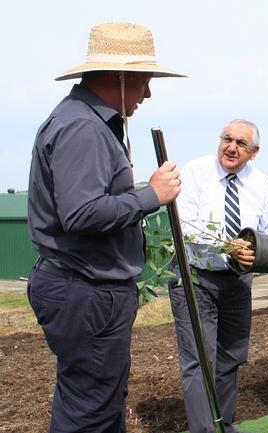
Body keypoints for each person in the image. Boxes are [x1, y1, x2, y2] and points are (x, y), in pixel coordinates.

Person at [27, 22, 184, 433]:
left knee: (96, 402)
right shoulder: (83, 127)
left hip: (86, 290)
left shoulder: (84, 121)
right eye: (145, 81)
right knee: (90, 413)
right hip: (86, 291)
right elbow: (81, 214)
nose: (148, 93)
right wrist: (152, 196)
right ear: (121, 76)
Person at [171, 119, 268, 433]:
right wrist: (228, 247)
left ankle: (224, 424)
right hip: (195, 276)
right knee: (199, 359)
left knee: (230, 357)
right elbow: (186, 226)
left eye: (241, 143)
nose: (232, 147)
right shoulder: (195, 173)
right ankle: (204, 430)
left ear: (254, 152)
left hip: (238, 281)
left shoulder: (261, 184)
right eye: (227, 139)